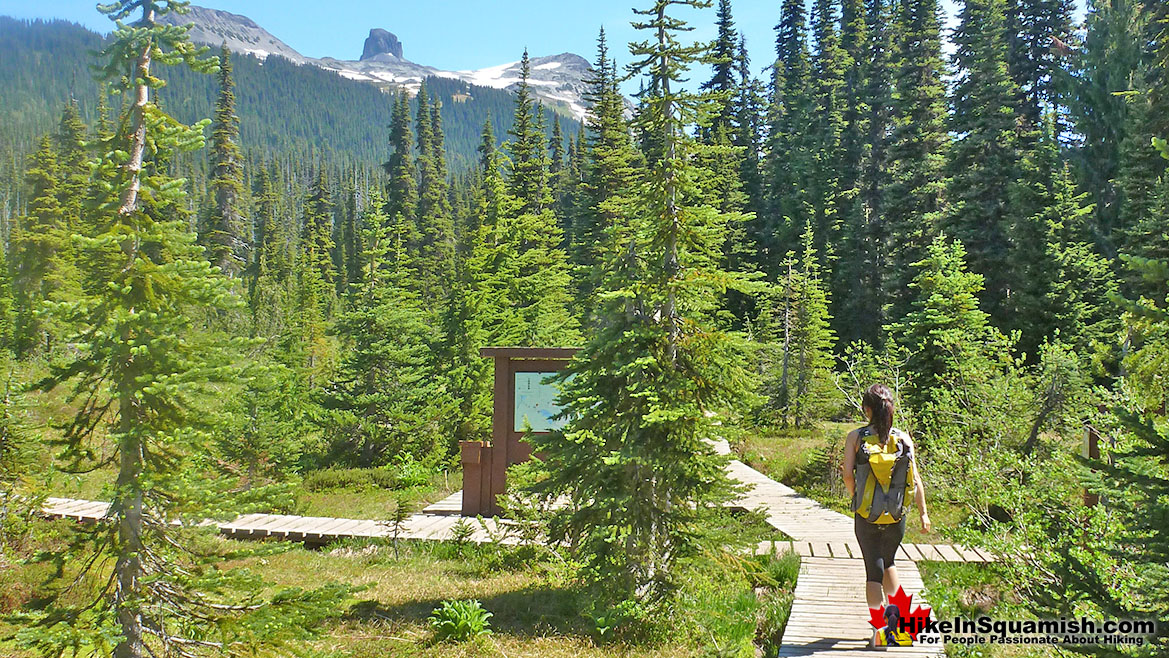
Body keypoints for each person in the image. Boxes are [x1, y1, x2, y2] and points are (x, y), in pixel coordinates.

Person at [842, 383, 930, 610]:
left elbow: (847, 475)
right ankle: (897, 625)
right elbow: (916, 479)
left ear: (867, 409)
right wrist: (923, 514)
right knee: (889, 563)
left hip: (866, 514)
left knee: (873, 570)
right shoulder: (904, 438)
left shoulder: (856, 437)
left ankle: (879, 631)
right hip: (896, 514)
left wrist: (857, 498)